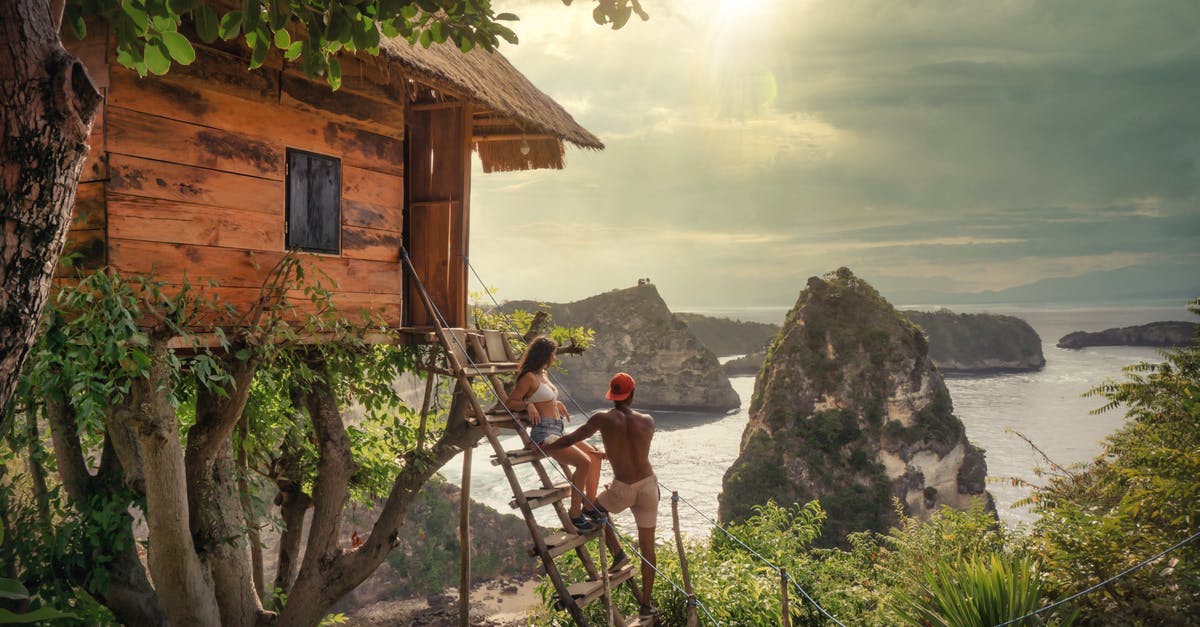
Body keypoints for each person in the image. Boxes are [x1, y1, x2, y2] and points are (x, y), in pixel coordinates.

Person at [543, 372, 659, 618]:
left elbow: (572, 439)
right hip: (649, 486)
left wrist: (547, 447)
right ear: (633, 393)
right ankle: (646, 606)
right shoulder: (648, 420)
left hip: (623, 488)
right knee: (649, 551)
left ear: (612, 395)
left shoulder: (602, 419)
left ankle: (618, 553)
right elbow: (634, 446)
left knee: (593, 511)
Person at [504, 337, 604, 533]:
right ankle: (575, 514)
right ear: (545, 354)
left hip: (558, 430)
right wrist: (528, 404)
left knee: (595, 455)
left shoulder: (544, 374)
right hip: (544, 435)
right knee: (584, 462)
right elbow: (511, 402)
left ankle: (589, 506)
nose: (555, 358)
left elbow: (544, 398)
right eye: (553, 354)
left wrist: (554, 403)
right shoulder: (529, 377)